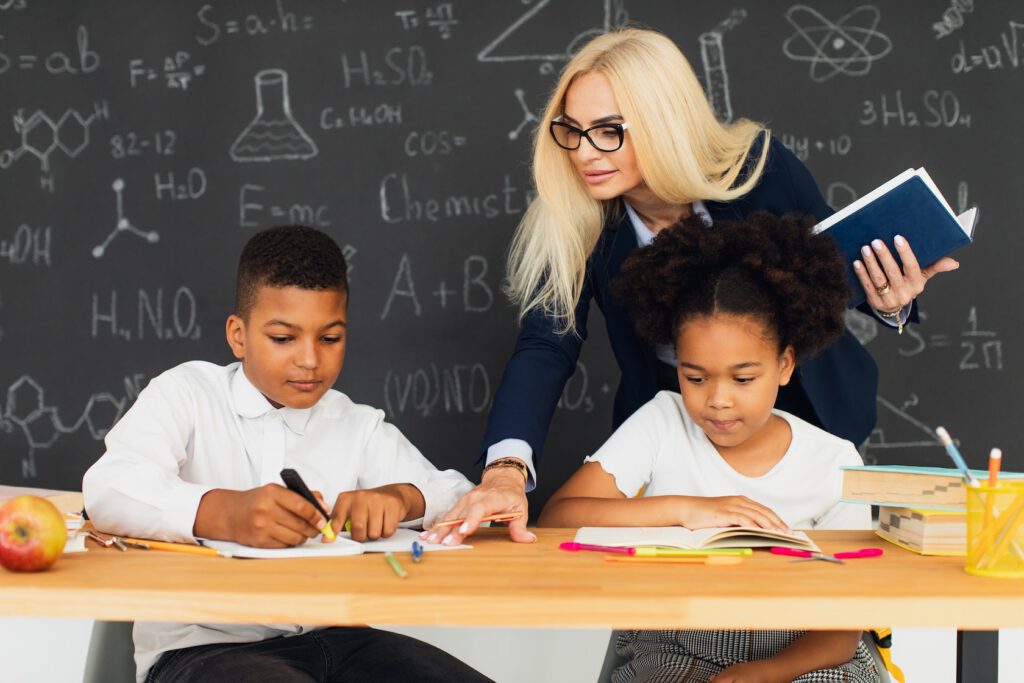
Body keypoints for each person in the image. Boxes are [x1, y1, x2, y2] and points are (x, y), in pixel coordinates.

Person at [425, 27, 957, 546]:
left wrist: (889, 302)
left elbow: (833, 263)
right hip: (678, 437)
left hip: (809, 418)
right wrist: (506, 470)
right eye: (572, 130)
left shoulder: (760, 169)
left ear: (663, 121)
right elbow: (546, 344)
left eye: (609, 131)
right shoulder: (575, 219)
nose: (585, 153)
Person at [83, 225, 491, 683]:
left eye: (330, 338)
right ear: (238, 336)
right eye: (283, 338)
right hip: (204, 649)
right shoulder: (186, 394)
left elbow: (459, 495)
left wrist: (402, 498)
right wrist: (226, 513)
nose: (310, 360)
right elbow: (108, 486)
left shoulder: (355, 423)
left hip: (342, 639)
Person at [539, 212, 880, 683]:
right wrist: (686, 508)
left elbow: (842, 628)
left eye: (743, 378)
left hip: (800, 652)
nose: (717, 400)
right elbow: (558, 518)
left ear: (784, 365)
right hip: (673, 640)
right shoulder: (663, 421)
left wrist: (765, 672)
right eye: (694, 377)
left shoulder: (834, 461)